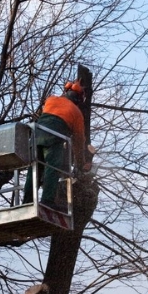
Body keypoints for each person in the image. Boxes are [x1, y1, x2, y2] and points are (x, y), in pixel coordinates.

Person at [22, 81, 86, 210]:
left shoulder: (51, 99)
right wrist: (80, 163)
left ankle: (27, 201)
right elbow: (79, 141)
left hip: (36, 136)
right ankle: (47, 200)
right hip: (53, 137)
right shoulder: (77, 112)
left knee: (35, 168)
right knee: (52, 167)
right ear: (78, 98)